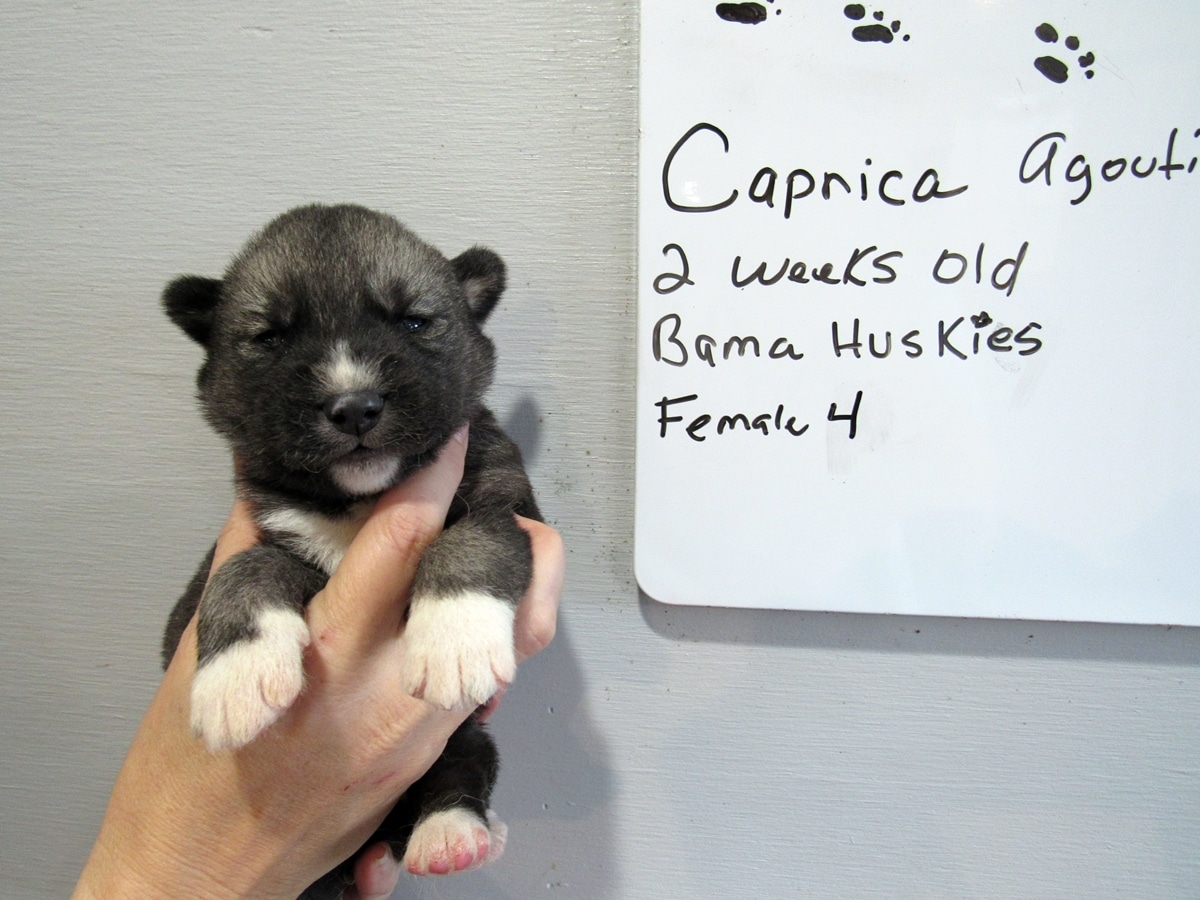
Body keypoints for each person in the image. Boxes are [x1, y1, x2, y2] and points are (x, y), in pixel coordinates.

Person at [72, 428, 564, 900]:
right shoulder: (278, 491)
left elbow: (510, 527)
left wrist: (466, 592)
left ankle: (451, 804)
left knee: (452, 748)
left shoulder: (476, 461)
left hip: (387, 784)